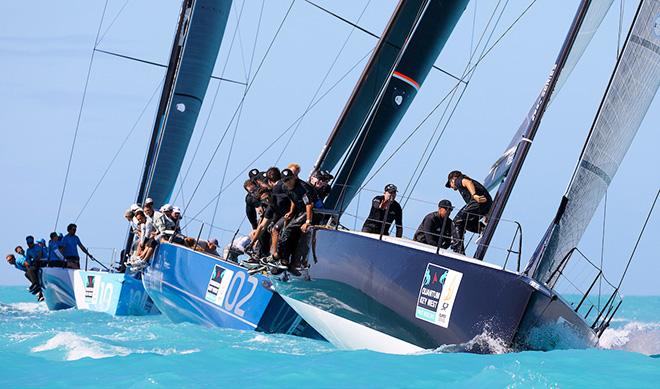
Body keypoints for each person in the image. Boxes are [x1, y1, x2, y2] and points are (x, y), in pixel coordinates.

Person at [274, 168, 317, 268]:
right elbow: (293, 199)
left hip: (310, 211)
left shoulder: (303, 187)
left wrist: (308, 222)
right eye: (285, 180)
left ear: (294, 178)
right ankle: (284, 259)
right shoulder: (285, 187)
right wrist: (291, 211)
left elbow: (309, 204)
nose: (287, 182)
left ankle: (278, 256)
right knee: (287, 233)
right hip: (299, 211)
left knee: (289, 230)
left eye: (289, 179)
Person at [445, 170, 492, 254]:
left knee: (456, 222)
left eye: (450, 184)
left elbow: (467, 182)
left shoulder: (458, 180)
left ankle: (458, 251)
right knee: (465, 223)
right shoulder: (463, 183)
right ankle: (482, 229)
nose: (451, 187)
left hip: (477, 203)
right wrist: (487, 213)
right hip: (484, 205)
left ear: (452, 180)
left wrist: (474, 195)